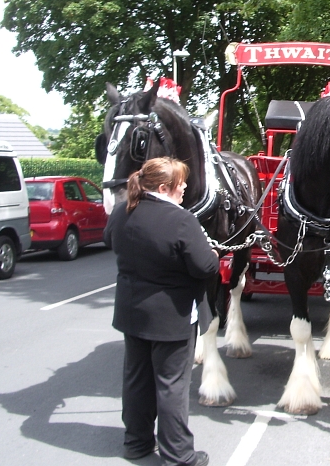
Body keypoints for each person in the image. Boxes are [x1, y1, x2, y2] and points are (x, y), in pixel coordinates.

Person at [104, 157, 217, 466]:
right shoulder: (181, 220)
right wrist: (212, 252)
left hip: (131, 311)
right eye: (181, 183)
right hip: (172, 316)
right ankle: (178, 455)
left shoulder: (122, 210)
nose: (184, 188)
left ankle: (137, 443)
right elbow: (205, 267)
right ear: (165, 187)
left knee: (137, 378)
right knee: (171, 386)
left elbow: (108, 239)